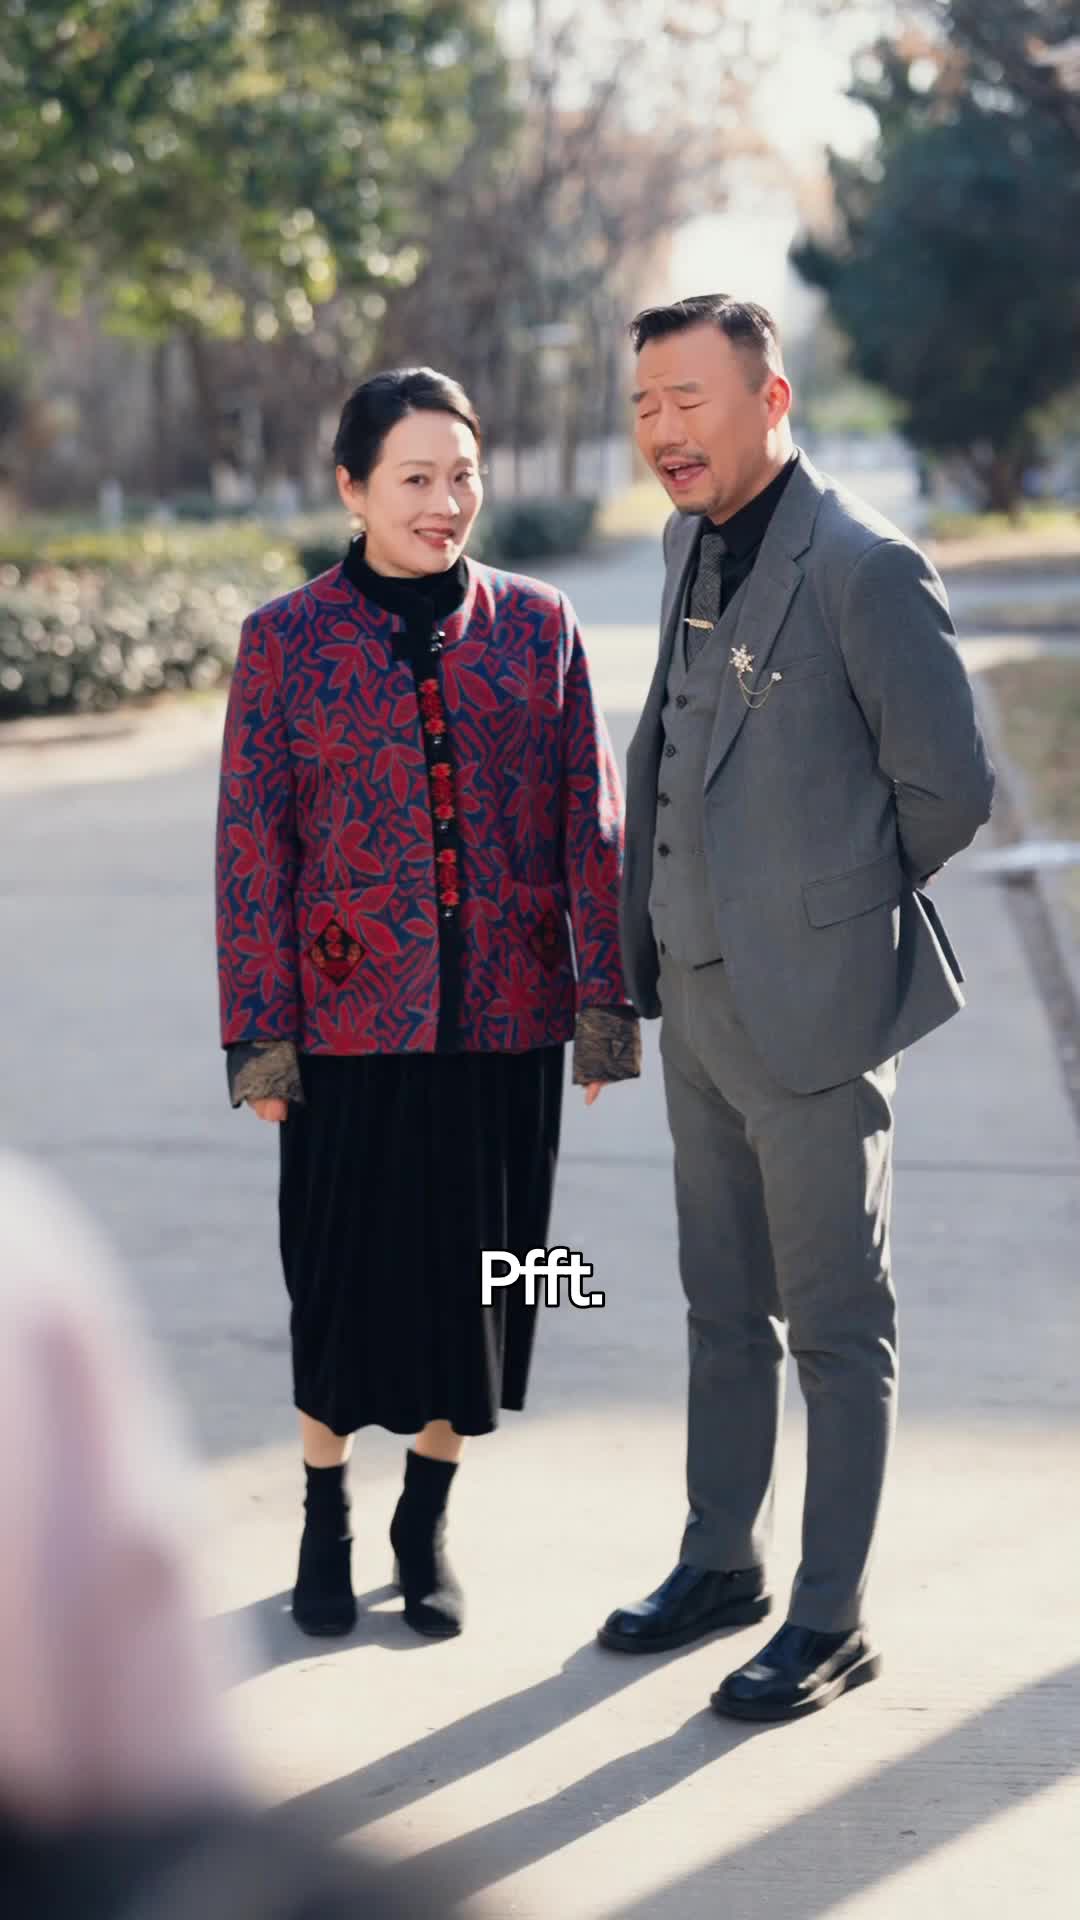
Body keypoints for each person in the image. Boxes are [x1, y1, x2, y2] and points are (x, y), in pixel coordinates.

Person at [602, 295, 994, 1719]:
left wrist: (827, 915)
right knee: (722, 1306)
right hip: (698, 1006)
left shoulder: (865, 567)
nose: (665, 430)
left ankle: (831, 1617)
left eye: (690, 399)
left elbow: (950, 790)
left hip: (815, 1014)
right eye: (646, 405)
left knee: (834, 1322)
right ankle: (723, 1560)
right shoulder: (683, 543)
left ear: (771, 402)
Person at [215, 367, 639, 1643]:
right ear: (352, 489)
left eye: (463, 476)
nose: (446, 502)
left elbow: (592, 824)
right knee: (335, 1283)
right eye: (415, 478)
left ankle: (426, 1520)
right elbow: (253, 847)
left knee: (487, 1290)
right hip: (346, 1030)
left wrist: (604, 1006)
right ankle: (326, 1514)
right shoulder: (285, 641)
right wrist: (261, 1040)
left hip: (508, 1022)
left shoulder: (540, 625)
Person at [0, 1152, 486, 1920]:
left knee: (472, 1297)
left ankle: (420, 1522)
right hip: (345, 1078)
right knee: (336, 1303)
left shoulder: (19, 1246)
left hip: (494, 1081)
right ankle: (326, 1525)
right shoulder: (18, 1247)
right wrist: (260, 1072)